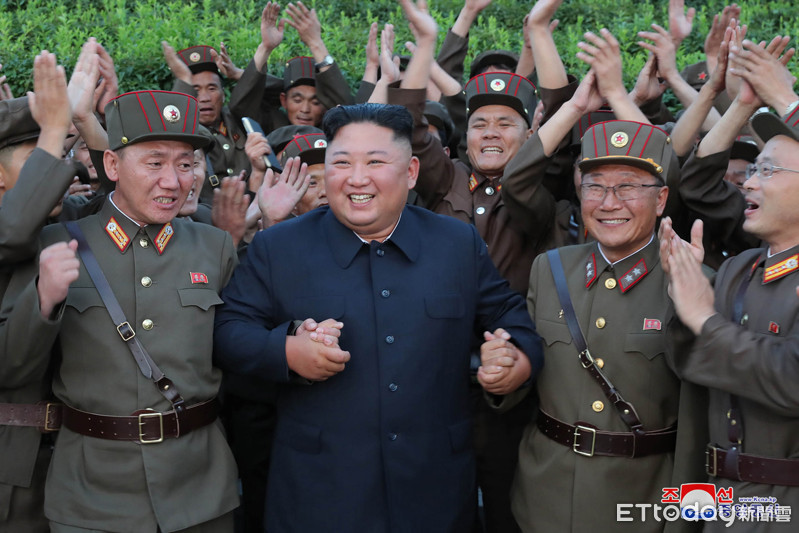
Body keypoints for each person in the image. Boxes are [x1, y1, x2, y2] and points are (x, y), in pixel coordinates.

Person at [213, 101, 543, 532]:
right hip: (319, 493)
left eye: (375, 162)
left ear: (410, 173)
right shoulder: (280, 247)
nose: (357, 178)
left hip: (434, 490)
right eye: (341, 162)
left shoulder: (455, 243)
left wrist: (516, 360)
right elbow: (229, 330)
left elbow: (508, 313)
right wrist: (287, 351)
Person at [5, 89, 239, 532]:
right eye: (155, 163)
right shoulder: (55, 243)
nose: (173, 181)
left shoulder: (215, 247)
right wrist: (43, 299)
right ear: (112, 165)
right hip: (90, 496)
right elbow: (11, 367)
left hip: (200, 490)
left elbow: (240, 347)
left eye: (185, 164)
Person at [501, 120, 707, 533]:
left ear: (661, 199)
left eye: (628, 187)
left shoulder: (695, 282)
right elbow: (530, 382)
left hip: (642, 504)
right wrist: (505, 371)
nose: (609, 202)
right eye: (594, 186)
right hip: (543, 498)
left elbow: (700, 424)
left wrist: (687, 519)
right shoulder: (551, 269)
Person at [661, 64, 799, 533]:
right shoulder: (741, 267)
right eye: (754, 169)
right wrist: (684, 298)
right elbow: (689, 364)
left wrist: (706, 318)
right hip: (721, 497)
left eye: (768, 170)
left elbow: (792, 381)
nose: (749, 183)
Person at [0, 51, 75, 533]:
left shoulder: (66, 226)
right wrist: (52, 130)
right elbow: (11, 233)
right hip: (10, 469)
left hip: (74, 463)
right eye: (39, 160)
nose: (58, 175)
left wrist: (84, 122)